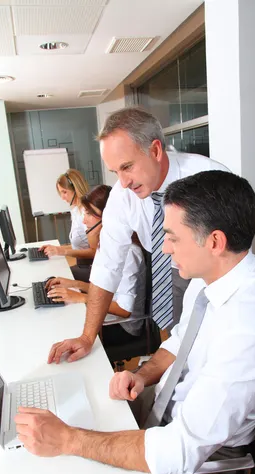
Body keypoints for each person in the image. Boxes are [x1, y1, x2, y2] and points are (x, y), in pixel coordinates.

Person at [15, 170, 255, 474]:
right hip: (164, 407)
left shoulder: (250, 330)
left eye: (173, 237)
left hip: (199, 455)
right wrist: (142, 375)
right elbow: (178, 343)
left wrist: (69, 440)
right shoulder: (209, 281)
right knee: (71, 419)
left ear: (215, 242)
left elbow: (181, 449)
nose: (164, 248)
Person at [47, 107, 230, 365]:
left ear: (155, 151)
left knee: (208, 352)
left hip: (212, 274)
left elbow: (233, 256)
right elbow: (107, 263)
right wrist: (87, 337)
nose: (123, 182)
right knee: (175, 344)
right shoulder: (123, 197)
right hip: (166, 267)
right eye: (115, 173)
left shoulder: (210, 178)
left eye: (127, 167)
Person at [46, 187, 146, 346]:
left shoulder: (128, 253)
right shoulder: (109, 244)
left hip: (122, 326)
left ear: (106, 217)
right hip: (109, 314)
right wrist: (74, 285)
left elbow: (124, 310)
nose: (84, 220)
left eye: (88, 214)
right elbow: (106, 290)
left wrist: (80, 297)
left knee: (64, 327)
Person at [39, 169, 94, 282]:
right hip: (82, 264)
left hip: (92, 268)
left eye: (64, 192)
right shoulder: (75, 210)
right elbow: (79, 246)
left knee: (55, 279)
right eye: (61, 193)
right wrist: (56, 249)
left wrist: (61, 251)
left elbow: (94, 251)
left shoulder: (86, 213)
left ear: (76, 189)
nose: (62, 197)